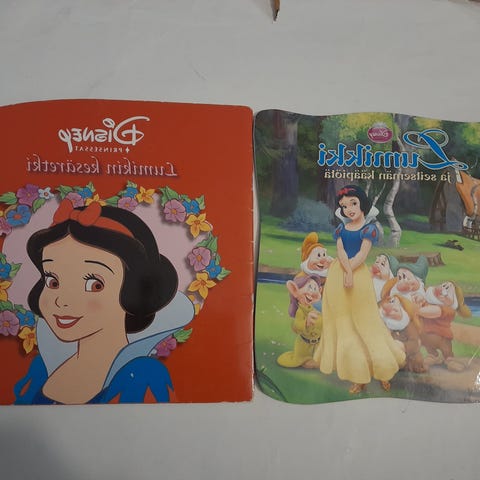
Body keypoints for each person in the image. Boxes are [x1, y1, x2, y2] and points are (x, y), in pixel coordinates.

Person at [14, 199, 193, 404]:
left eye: (94, 284)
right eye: (52, 281)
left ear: (134, 291)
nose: (61, 301)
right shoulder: (42, 367)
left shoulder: (141, 375)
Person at [313, 185, 405, 393]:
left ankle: (382, 370)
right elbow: (340, 250)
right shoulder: (341, 229)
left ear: (362, 204)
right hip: (338, 275)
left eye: (353, 203)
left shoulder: (368, 229)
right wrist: (346, 271)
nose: (349, 209)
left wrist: (350, 272)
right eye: (344, 206)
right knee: (344, 324)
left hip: (358, 278)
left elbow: (363, 254)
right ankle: (358, 375)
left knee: (367, 322)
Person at [277, 275, 324, 369]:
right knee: (305, 362)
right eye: (310, 287)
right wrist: (306, 322)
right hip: (304, 345)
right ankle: (308, 360)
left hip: (319, 343)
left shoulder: (319, 309)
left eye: (315, 288)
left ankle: (318, 359)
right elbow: (296, 326)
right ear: (295, 291)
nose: (313, 292)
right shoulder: (300, 311)